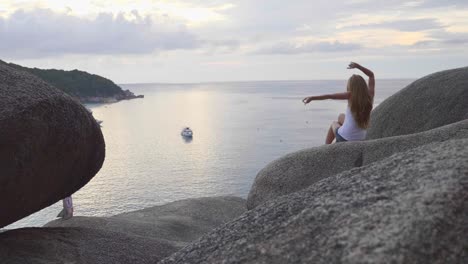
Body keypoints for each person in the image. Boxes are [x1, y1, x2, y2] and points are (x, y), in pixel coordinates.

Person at [302, 62, 374, 144]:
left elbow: (330, 96)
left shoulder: (350, 95)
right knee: (341, 116)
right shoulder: (370, 95)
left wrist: (312, 98)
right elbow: (371, 75)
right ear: (363, 85)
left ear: (351, 86)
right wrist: (358, 66)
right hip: (361, 137)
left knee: (334, 123)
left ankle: (326, 147)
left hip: (345, 138)